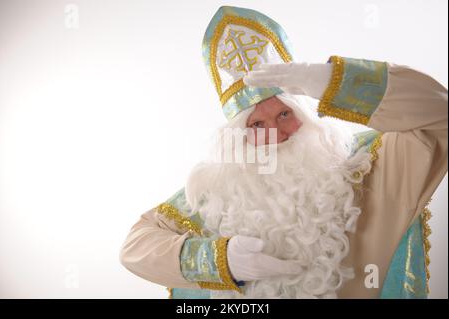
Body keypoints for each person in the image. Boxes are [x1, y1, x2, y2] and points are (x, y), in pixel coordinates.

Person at [120, 6, 447, 299]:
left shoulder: (373, 163)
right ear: (240, 138)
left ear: (304, 112)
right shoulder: (222, 190)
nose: (276, 135)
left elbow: (440, 114)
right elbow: (135, 248)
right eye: (257, 126)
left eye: (285, 115)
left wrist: (334, 80)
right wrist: (222, 260)